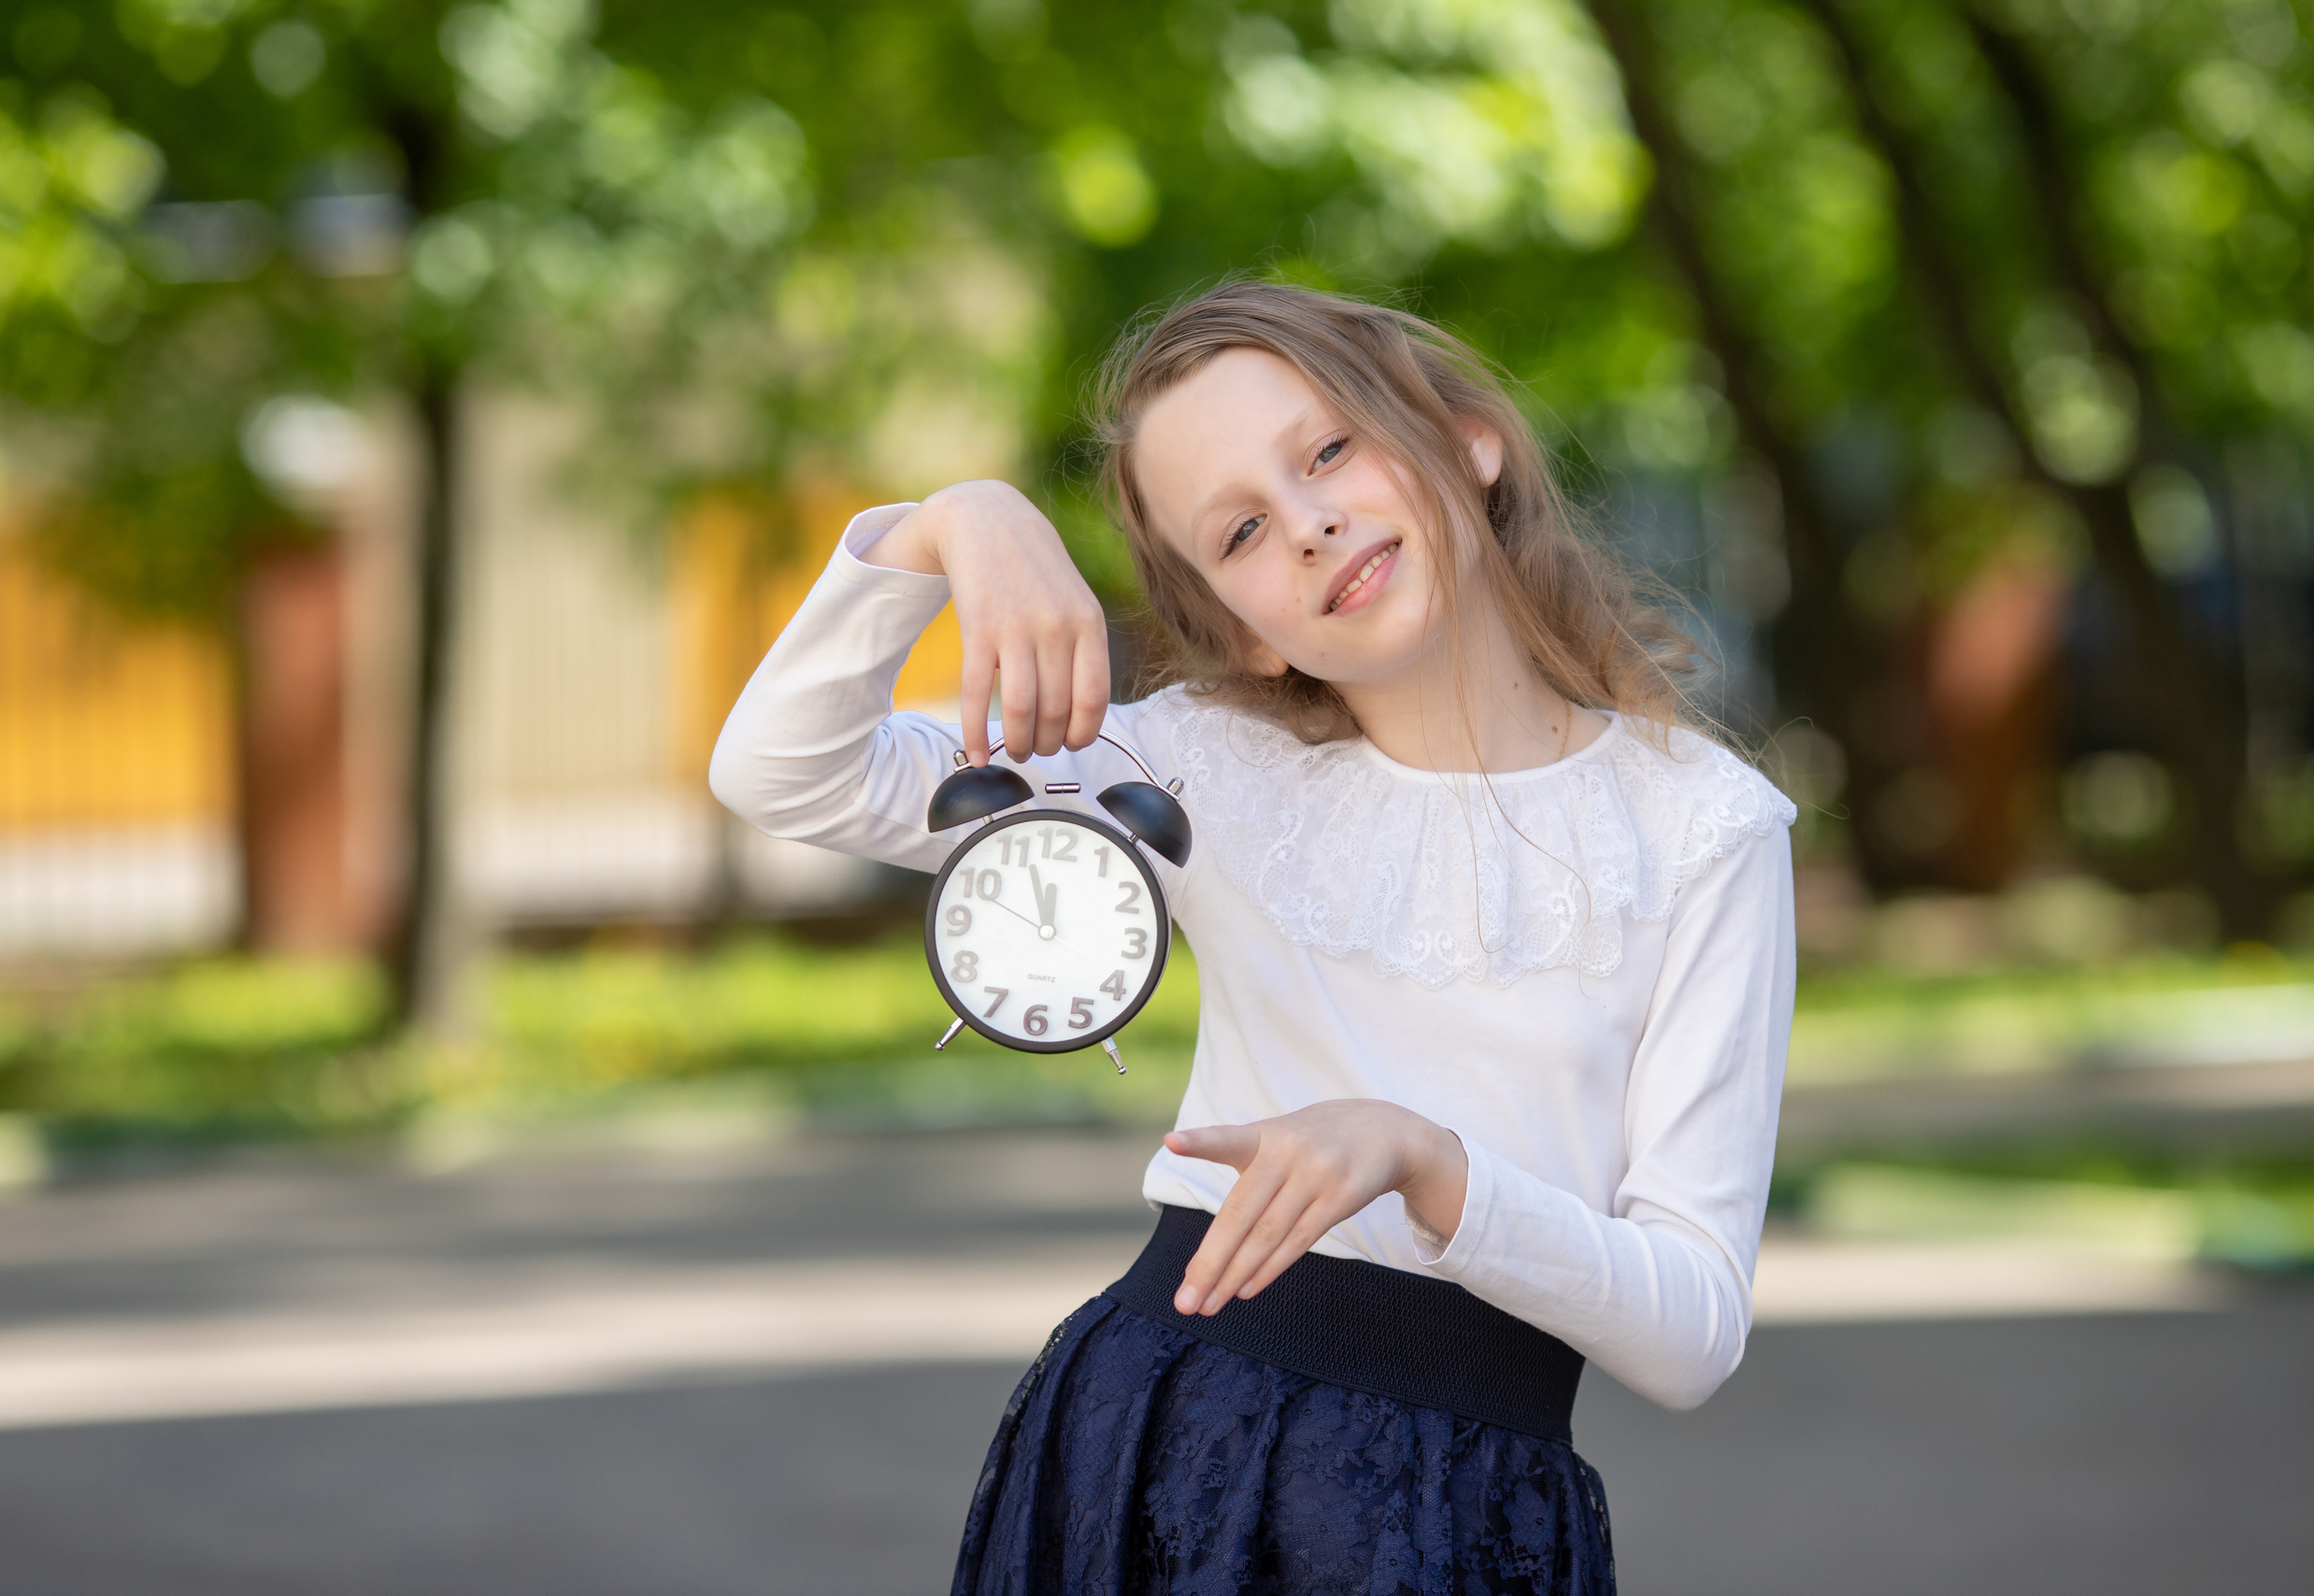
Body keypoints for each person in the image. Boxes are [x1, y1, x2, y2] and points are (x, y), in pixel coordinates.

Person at [710, 281, 1796, 1594]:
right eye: (1240, 531)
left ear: (1467, 439)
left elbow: (1691, 1335)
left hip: (1470, 1514)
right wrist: (959, 522)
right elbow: (787, 773)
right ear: (1241, 633)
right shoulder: (1190, 772)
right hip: (1165, 1445)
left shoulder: (1706, 829)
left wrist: (1426, 1162)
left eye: (1329, 450)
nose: (1308, 522)